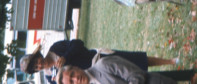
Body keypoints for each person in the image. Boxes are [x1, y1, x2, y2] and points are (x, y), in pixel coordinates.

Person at [20, 39, 178, 81]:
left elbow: (78, 44)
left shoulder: (56, 48)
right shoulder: (51, 77)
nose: (39, 65)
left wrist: (66, 57)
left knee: (138, 61)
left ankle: (170, 62)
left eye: (36, 62)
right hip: (98, 80)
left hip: (102, 61)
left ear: (38, 56)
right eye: (35, 68)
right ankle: (174, 77)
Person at [56, 57, 197, 84]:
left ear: (76, 68)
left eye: (73, 74)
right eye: (72, 82)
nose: (76, 79)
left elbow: (136, 75)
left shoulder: (103, 65)